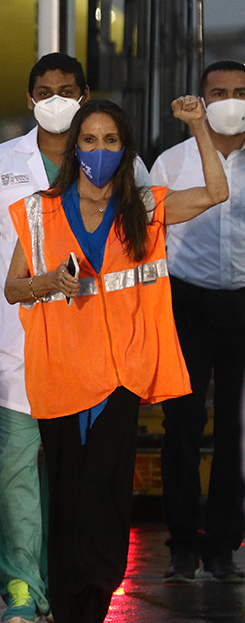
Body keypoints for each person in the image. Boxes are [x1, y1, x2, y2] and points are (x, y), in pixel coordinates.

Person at [4, 97, 228, 623]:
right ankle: (67, 603)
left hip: (120, 375)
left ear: (125, 149)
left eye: (110, 141)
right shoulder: (38, 212)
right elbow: (13, 287)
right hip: (59, 372)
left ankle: (92, 614)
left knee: (105, 497)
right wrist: (45, 284)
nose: (99, 150)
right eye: (89, 140)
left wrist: (199, 127)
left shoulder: (144, 206)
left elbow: (218, 192)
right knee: (67, 497)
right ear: (73, 146)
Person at [154, 60, 245, 583]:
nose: (230, 100)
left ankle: (225, 547)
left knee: (236, 430)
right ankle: (183, 546)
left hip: (243, 305)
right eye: (220, 92)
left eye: (239, 91)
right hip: (186, 303)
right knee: (182, 427)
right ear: (202, 99)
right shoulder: (171, 162)